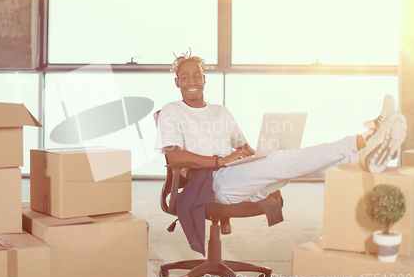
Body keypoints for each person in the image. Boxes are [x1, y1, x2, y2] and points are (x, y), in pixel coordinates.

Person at [155, 53, 408, 204]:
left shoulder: (221, 111)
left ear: (204, 79)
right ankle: (364, 139)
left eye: (197, 75)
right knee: (283, 163)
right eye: (185, 77)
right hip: (209, 183)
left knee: (303, 166)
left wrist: (257, 153)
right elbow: (174, 156)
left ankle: (362, 155)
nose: (192, 81)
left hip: (236, 176)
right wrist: (221, 161)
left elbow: (243, 147)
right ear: (177, 82)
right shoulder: (171, 111)